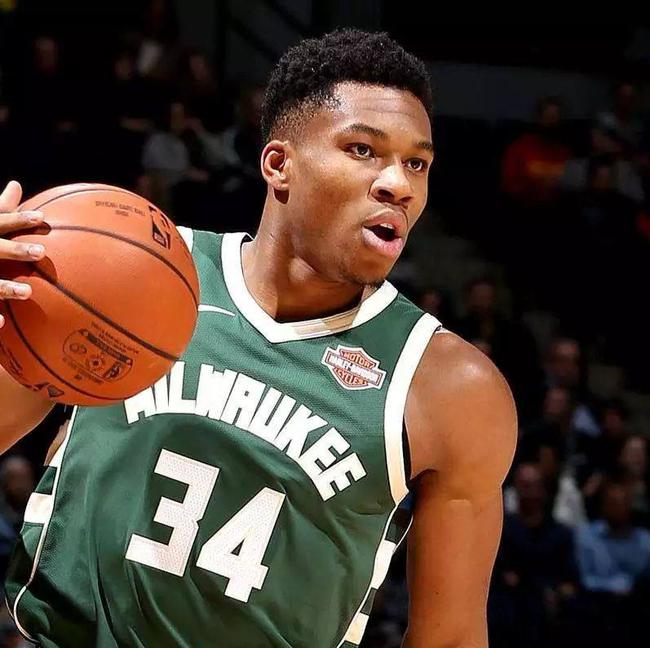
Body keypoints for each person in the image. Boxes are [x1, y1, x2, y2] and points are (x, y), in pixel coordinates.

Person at [0, 29, 517, 648]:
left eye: (417, 164)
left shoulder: (450, 387)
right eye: (363, 149)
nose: (398, 184)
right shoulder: (124, 276)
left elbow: (451, 638)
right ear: (279, 165)